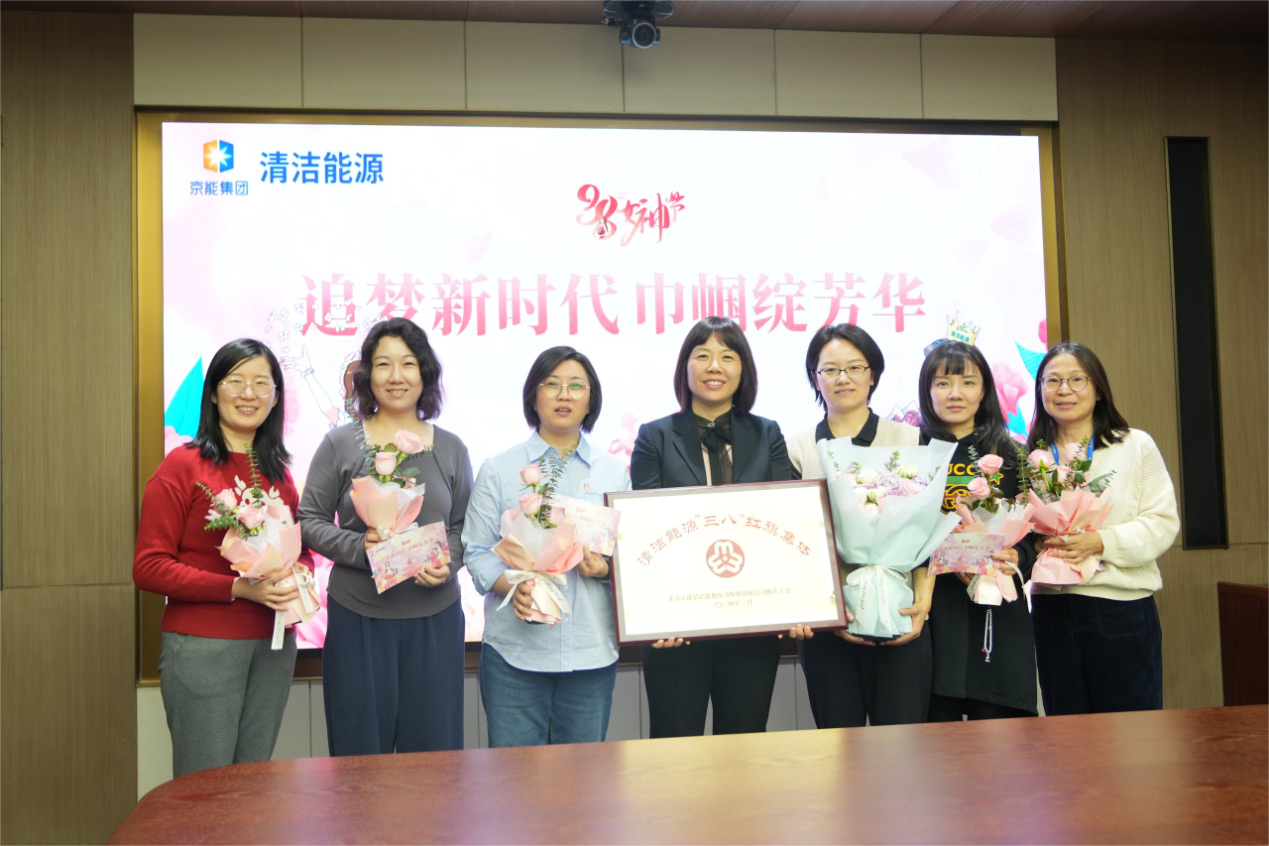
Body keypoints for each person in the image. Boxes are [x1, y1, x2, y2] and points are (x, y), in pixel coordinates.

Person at [298, 318, 473, 755]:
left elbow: (464, 527)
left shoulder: (451, 448)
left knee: (433, 765)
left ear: (425, 372)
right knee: (358, 762)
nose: (396, 376)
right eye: (383, 364)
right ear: (367, 375)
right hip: (358, 619)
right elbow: (310, 520)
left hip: (435, 619)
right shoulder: (340, 444)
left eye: (408, 363)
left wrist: (448, 562)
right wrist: (360, 548)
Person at [134, 338, 302, 777]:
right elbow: (148, 567)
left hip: (274, 646)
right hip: (204, 646)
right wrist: (237, 588)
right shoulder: (182, 466)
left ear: (276, 397)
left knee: (252, 784)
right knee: (205, 787)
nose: (249, 393)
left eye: (261, 383)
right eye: (235, 381)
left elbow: (297, 551)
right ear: (212, 392)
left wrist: (298, 576)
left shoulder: (279, 474)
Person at [630, 316, 794, 737]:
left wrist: (798, 601)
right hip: (676, 627)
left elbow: (788, 517)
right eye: (702, 355)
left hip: (752, 624)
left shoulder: (768, 433)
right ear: (685, 367)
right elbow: (646, 530)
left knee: (743, 751)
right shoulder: (654, 436)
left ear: (744, 369)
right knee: (674, 749)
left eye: (727, 356)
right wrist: (653, 616)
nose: (714, 366)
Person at [462, 347, 630, 747]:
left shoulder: (613, 471)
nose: (564, 394)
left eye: (576, 386)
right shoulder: (499, 470)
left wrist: (605, 569)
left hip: (590, 655)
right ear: (533, 396)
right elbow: (477, 551)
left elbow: (630, 556)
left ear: (591, 399)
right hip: (515, 657)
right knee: (516, 781)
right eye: (551, 384)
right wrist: (512, 584)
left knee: (583, 779)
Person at [786, 324, 931, 728]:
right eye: (830, 369)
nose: (843, 378)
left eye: (854, 367)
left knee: (903, 747)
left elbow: (926, 533)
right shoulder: (796, 448)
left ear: (873, 374)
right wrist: (830, 612)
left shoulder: (910, 439)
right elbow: (793, 538)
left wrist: (923, 604)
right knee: (839, 749)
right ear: (815, 377)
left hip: (900, 610)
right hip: (829, 625)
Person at [1026, 342, 1179, 714]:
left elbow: (1162, 522)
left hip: (1120, 607)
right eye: (1052, 381)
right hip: (1053, 609)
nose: (1064, 389)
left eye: (1077, 379)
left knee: (1130, 733)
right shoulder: (1031, 456)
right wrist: (1037, 541)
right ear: (1040, 389)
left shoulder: (1134, 445)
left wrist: (1101, 542)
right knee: (1066, 732)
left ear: (1098, 389)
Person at [918, 341, 1038, 721]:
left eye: (968, 382)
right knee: (935, 742)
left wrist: (1018, 556)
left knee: (1002, 744)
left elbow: (1037, 534)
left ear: (984, 390)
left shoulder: (1012, 455)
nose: (955, 393)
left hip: (996, 615)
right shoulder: (912, 454)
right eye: (942, 383)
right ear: (927, 391)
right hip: (934, 615)